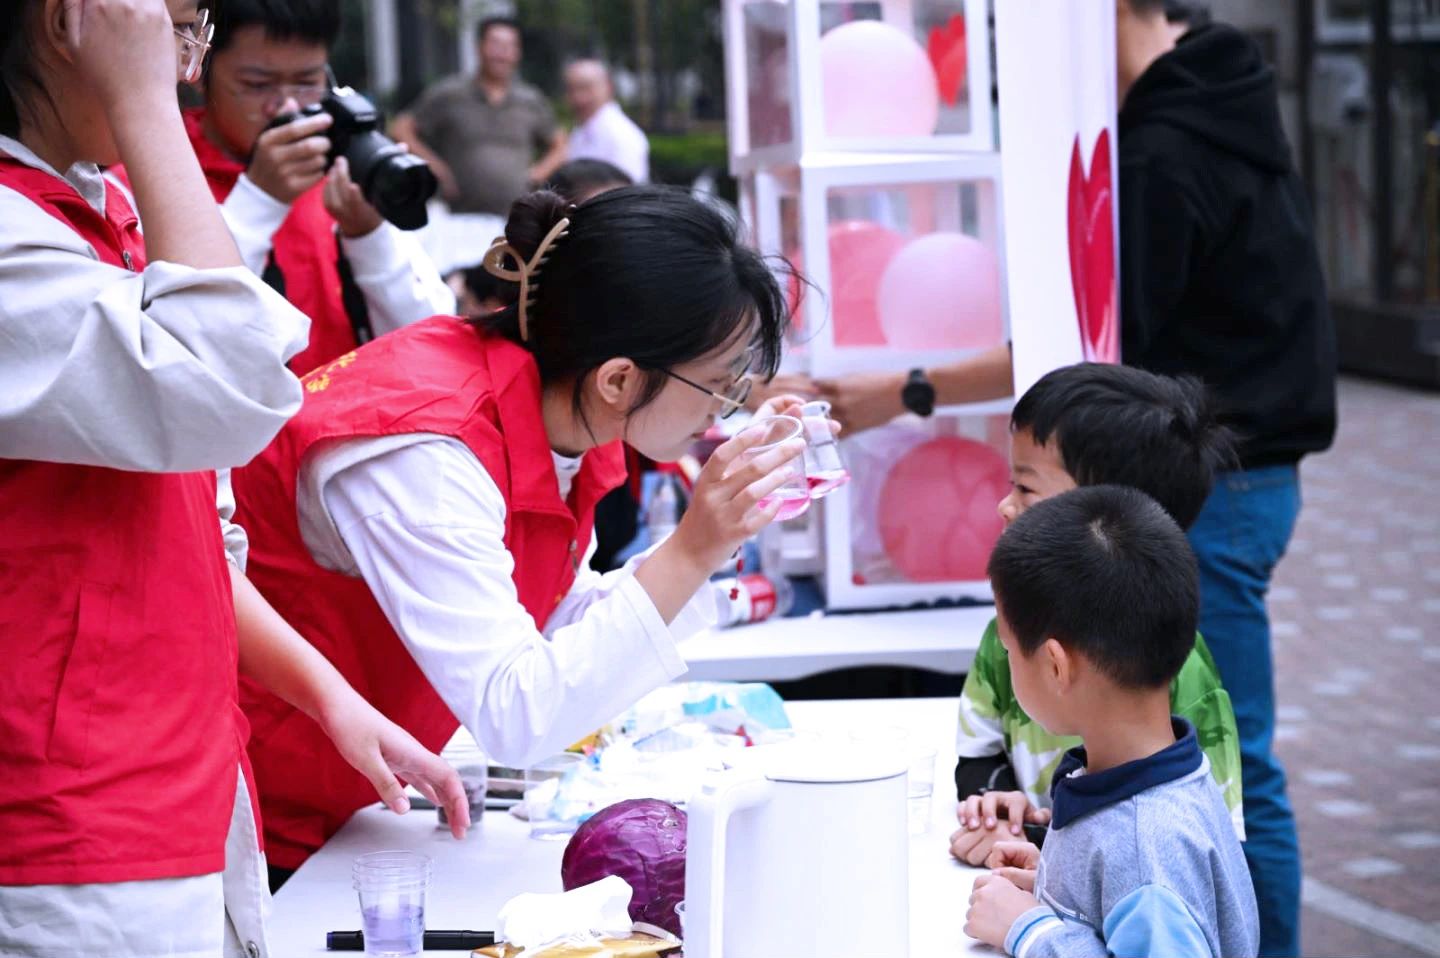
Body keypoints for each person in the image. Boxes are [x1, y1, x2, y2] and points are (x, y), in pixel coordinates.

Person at [0, 1, 465, 954]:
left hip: (184, 783)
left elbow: (193, 536)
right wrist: (143, 102)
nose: (184, 67)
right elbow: (231, 383)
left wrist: (332, 698)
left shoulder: (102, 207)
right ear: (68, 20)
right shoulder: (21, 231)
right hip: (70, 826)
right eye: (173, 29)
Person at [230, 184, 819, 882]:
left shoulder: (563, 414)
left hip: (352, 810)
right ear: (619, 379)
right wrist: (694, 548)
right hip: (258, 813)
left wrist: (713, 539)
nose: (726, 411)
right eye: (721, 385)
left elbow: (553, 619)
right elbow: (518, 716)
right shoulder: (426, 452)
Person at [1115, 5, 1335, 953]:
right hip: (1249, 480)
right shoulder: (1221, 103)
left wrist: (909, 390)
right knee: (1228, 753)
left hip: (1217, 486)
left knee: (1230, 759)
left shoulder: (1165, 145)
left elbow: (1112, 335)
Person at [950, 362, 1244, 869]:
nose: (1004, 506)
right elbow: (979, 753)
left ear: (1111, 515)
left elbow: (1208, 844)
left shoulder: (1178, 667)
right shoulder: (1011, 629)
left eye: (1026, 488)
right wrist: (997, 808)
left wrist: (1041, 855)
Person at [963, 486, 1259, 958]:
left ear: (1056, 666)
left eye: (1007, 647)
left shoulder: (1146, 851)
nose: (1005, 656)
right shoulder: (1155, 778)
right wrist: (1056, 885)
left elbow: (1147, 896)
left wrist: (1030, 930)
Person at [114, 0, 454, 375]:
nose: (287, 106)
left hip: (352, 408)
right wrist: (260, 199)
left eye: (308, 82)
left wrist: (369, 236)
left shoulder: (343, 168)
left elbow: (432, 341)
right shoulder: (143, 180)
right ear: (198, 70)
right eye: (257, 85)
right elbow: (166, 347)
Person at [392, 16, 566, 222]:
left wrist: (536, 175)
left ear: (517, 53)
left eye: (509, 46)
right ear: (479, 47)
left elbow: (561, 144)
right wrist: (436, 168)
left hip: (517, 219)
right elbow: (400, 129)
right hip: (461, 218)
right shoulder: (450, 94)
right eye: (495, 44)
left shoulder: (530, 100)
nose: (502, 53)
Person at [563, 59, 649, 184]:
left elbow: (627, 190)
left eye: (585, 88)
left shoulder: (622, 135)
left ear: (609, 87)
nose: (578, 97)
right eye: (571, 90)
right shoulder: (580, 131)